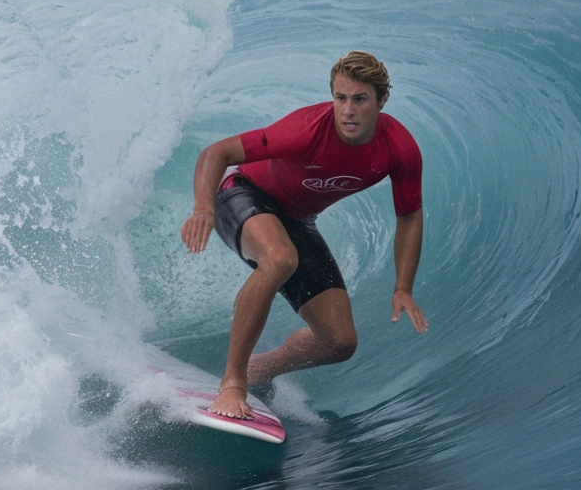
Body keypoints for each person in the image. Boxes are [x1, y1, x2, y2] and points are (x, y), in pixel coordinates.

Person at [180, 51, 428, 419]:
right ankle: (233, 384)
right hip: (241, 193)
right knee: (280, 258)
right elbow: (218, 152)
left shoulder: (399, 149)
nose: (347, 110)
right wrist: (203, 208)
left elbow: (409, 216)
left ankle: (258, 370)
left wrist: (403, 286)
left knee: (339, 342)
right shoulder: (307, 129)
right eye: (340, 98)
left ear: (381, 101)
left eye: (359, 99)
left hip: (297, 220)